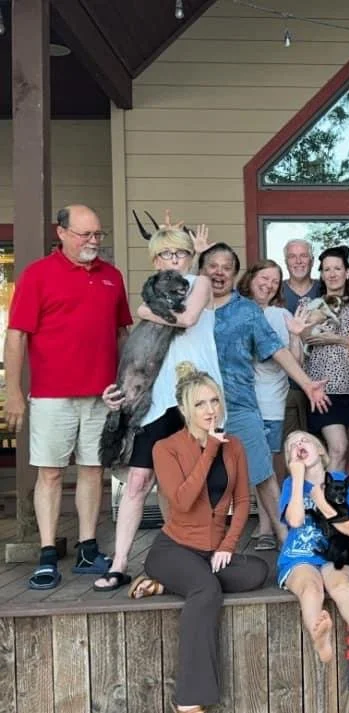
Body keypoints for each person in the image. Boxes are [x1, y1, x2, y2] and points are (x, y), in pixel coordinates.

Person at [127, 362, 269, 713]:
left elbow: (242, 501)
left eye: (214, 401)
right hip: (174, 548)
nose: (210, 410)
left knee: (256, 571)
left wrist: (227, 546)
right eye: (200, 404)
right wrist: (209, 452)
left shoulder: (234, 445)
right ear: (184, 409)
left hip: (212, 552)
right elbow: (183, 501)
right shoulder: (166, 448)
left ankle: (164, 584)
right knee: (206, 590)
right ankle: (189, 699)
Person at [5, 204, 132, 590]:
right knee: (51, 472)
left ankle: (87, 549)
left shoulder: (111, 276)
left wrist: (128, 384)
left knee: (93, 470)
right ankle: (47, 553)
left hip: (103, 395)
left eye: (98, 234)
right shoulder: (37, 275)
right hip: (51, 396)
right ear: (61, 233)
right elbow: (17, 335)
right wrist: (14, 391)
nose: (94, 241)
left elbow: (122, 334)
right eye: (85, 234)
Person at [95, 222, 222, 592]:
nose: (173, 259)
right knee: (139, 480)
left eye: (180, 252)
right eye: (166, 254)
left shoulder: (198, 284)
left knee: (186, 483)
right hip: (157, 400)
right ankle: (120, 562)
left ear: (190, 256)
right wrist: (120, 392)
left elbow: (187, 319)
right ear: (155, 260)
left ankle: (187, 555)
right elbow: (135, 355)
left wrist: (145, 310)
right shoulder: (154, 292)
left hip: (195, 399)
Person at [199, 242, 329, 553]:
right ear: (202, 270)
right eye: (212, 266)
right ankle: (200, 547)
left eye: (226, 267)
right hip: (195, 409)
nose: (219, 272)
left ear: (235, 274)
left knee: (263, 473)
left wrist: (307, 383)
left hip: (239, 405)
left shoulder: (246, 310)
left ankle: (289, 543)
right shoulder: (190, 308)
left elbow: (277, 350)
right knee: (200, 478)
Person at [277, 431, 349, 663]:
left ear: (321, 449)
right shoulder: (290, 484)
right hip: (298, 556)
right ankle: (320, 639)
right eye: (292, 445)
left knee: (341, 584)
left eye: (305, 440)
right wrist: (298, 477)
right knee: (311, 588)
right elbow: (295, 520)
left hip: (335, 553)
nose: (299, 444)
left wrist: (321, 501)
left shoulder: (340, 481)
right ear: (290, 460)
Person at [237, 258, 310, 551]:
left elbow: (296, 361)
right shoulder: (235, 311)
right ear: (251, 278)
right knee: (251, 463)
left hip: (271, 401)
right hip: (240, 401)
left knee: (270, 464)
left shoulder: (280, 315)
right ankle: (264, 524)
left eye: (275, 282)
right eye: (264, 278)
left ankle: (270, 525)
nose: (268, 285)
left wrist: (294, 335)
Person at [304, 246, 349, 474]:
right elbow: (305, 337)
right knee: (338, 448)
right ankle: (327, 496)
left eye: (337, 268)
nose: (332, 274)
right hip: (324, 389)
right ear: (321, 275)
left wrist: (338, 339)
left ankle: (343, 495)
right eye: (327, 269)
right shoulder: (311, 306)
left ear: (347, 273)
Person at [280, 239, 323, 443]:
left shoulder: (325, 288)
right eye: (292, 256)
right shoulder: (275, 290)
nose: (298, 261)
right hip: (285, 384)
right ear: (286, 262)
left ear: (312, 260)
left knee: (323, 445)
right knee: (289, 444)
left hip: (324, 382)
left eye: (303, 256)